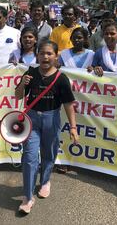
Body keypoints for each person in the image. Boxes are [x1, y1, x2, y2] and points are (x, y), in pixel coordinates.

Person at [15, 40, 79, 214]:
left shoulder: (61, 79)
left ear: (56, 56)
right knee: (29, 157)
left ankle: (45, 181)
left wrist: (73, 127)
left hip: (52, 119)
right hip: (31, 119)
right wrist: (22, 83)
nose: (45, 56)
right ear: (37, 55)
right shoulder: (31, 73)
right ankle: (28, 197)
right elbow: (18, 95)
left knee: (49, 153)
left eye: (49, 53)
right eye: (42, 53)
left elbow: (68, 104)